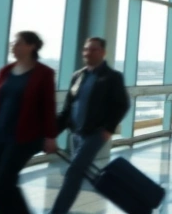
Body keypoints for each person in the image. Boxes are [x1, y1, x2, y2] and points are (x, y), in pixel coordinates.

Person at [0, 31, 58, 214]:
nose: (13, 46)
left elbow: (48, 107)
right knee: (6, 186)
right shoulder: (5, 72)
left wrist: (50, 136)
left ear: (31, 46)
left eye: (18, 43)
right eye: (13, 43)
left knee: (0, 186)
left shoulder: (44, 73)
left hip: (25, 138)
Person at [51, 37, 130, 214]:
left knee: (73, 172)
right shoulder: (77, 76)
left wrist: (108, 129)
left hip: (96, 133)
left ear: (103, 52)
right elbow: (67, 109)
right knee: (78, 174)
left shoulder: (112, 77)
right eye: (86, 49)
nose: (88, 53)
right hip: (77, 134)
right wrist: (52, 133)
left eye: (93, 49)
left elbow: (122, 104)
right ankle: (134, 199)